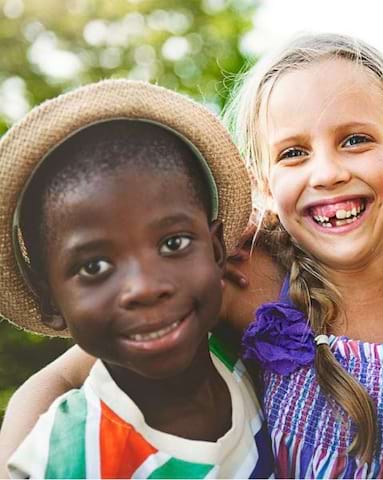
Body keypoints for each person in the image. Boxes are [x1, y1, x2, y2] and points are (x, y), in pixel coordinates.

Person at [0, 33, 383, 479]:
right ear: (264, 185)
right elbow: (59, 378)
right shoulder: (241, 277)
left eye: (355, 140)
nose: (327, 172)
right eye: (294, 153)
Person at [0, 80, 273, 479]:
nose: (145, 287)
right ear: (49, 302)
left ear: (216, 250)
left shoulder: (240, 351)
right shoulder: (66, 461)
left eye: (173, 243)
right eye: (94, 267)